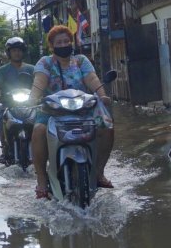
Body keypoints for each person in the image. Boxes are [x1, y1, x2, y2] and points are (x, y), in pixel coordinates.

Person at [29, 25, 114, 199]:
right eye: (59, 42)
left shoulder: (81, 60)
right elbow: (39, 82)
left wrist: (102, 95)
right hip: (52, 111)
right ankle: (42, 179)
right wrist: (32, 98)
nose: (64, 44)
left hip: (83, 108)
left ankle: (98, 172)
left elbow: (92, 78)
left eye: (66, 41)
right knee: (38, 130)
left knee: (107, 126)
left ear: (72, 43)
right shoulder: (45, 62)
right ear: (52, 45)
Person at [0, 37, 35, 164]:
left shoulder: (32, 69)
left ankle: (41, 148)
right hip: (8, 104)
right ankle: (5, 149)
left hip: (30, 105)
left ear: (23, 52)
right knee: (1, 120)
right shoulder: (2, 70)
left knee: (42, 122)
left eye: (19, 50)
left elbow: (40, 84)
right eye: (14, 50)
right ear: (9, 53)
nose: (17, 53)